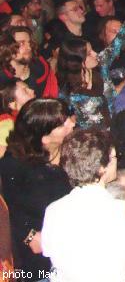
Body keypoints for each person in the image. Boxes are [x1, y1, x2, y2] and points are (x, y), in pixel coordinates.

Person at [41, 129, 125, 281]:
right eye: (113, 157)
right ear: (102, 168)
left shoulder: (53, 211)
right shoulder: (121, 210)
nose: (116, 160)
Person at [0, 99, 75, 276]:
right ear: (45, 137)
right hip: (39, 254)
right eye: (63, 123)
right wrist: (29, 235)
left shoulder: (73, 149)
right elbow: (7, 208)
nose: (72, 123)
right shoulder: (14, 165)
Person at [0, 26, 59, 98]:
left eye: (29, 43)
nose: (29, 48)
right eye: (21, 43)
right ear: (7, 47)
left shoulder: (41, 68)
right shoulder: (2, 79)